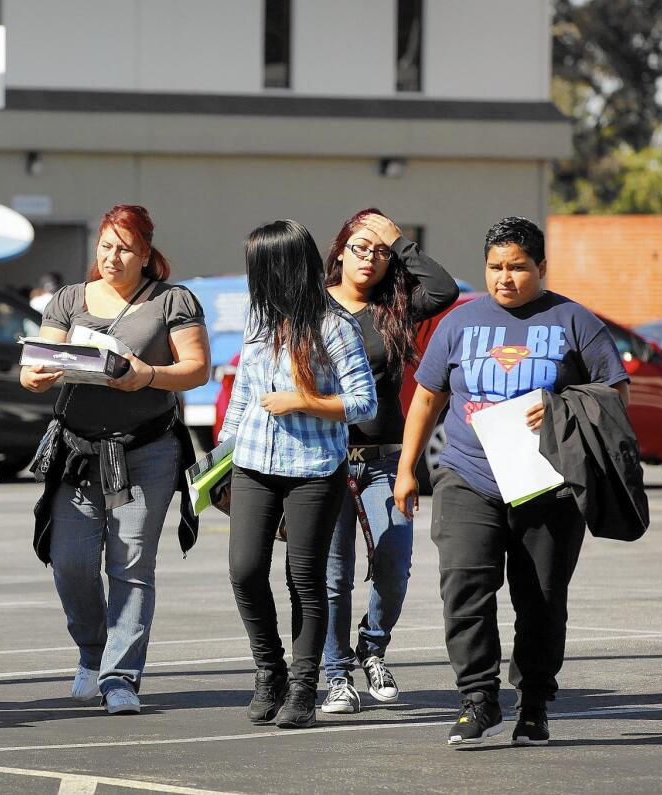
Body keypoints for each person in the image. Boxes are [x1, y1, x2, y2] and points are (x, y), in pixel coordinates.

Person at [394, 217, 629, 746]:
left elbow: (615, 394)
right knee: (464, 588)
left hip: (548, 483)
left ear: (541, 267)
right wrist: (407, 469)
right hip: (466, 474)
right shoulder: (459, 322)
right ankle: (477, 700)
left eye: (519, 267)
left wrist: (562, 409)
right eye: (496, 267)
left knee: (540, 598)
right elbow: (428, 399)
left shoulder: (574, 320)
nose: (506, 277)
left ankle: (535, 703)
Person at [22, 204, 209, 715]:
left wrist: (146, 375)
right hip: (78, 452)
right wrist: (37, 376)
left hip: (146, 449)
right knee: (71, 563)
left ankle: (121, 677)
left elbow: (196, 370)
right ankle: (91, 650)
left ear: (146, 254)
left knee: (130, 566)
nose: (112, 256)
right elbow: (39, 363)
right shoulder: (68, 300)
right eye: (106, 246)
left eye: (125, 248)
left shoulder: (172, 300)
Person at [219, 219, 376, 729]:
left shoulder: (335, 325)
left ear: (281, 268)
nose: (253, 279)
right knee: (244, 572)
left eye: (258, 268)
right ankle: (271, 673)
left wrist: (302, 400)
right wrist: (224, 450)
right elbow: (243, 390)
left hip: (313, 469)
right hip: (252, 464)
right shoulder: (260, 319)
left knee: (304, 579)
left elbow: (363, 402)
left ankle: (304, 687)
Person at [319, 210, 459, 714]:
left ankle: (372, 647)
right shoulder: (311, 308)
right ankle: (335, 673)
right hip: (325, 459)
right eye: (359, 247)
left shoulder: (393, 309)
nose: (369, 258)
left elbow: (442, 290)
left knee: (395, 559)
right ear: (339, 252)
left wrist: (400, 239)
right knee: (333, 575)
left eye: (378, 252)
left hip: (385, 459)